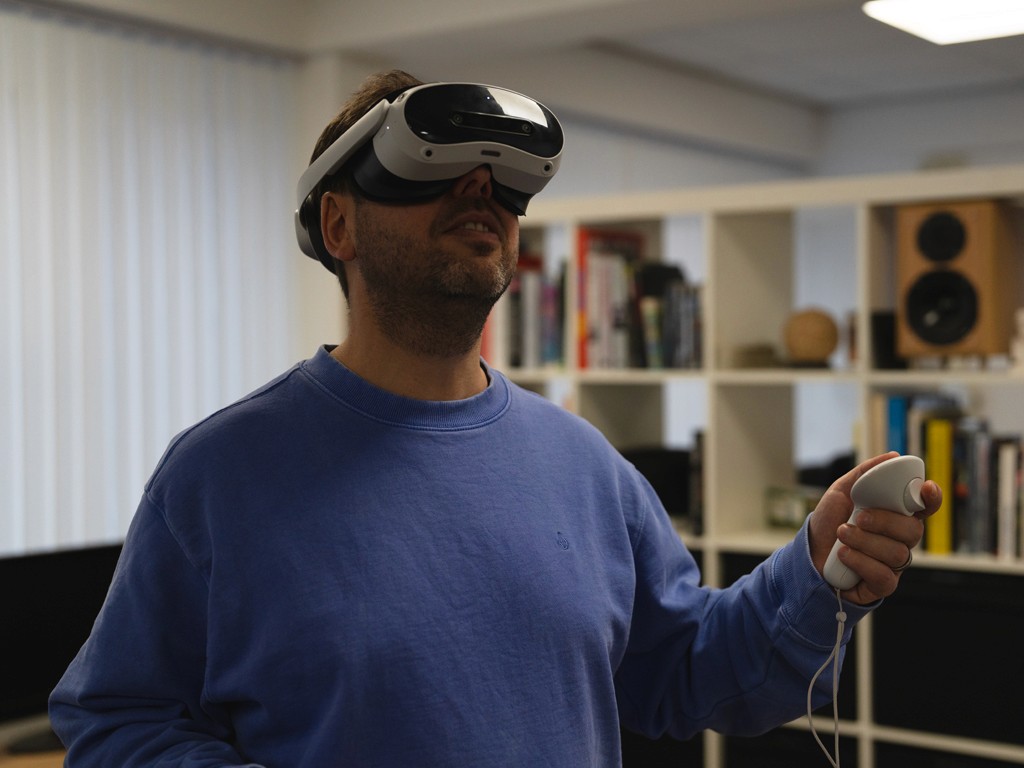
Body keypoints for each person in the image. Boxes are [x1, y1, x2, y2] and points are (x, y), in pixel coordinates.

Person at [50, 69, 940, 767]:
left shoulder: (584, 467)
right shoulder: (220, 477)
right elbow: (119, 719)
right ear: (339, 222)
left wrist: (814, 575)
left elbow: (687, 674)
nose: (482, 192)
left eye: (506, 184)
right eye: (431, 168)